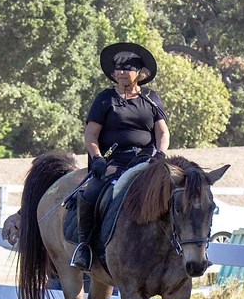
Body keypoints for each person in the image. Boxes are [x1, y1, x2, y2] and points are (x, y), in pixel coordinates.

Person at [71, 42, 170, 270]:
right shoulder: (104, 99)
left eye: (127, 68)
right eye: (118, 69)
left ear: (139, 73)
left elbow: (162, 132)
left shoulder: (152, 99)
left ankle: (177, 250)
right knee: (90, 195)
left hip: (148, 162)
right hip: (112, 163)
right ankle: (84, 247)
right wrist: (98, 159)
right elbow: (91, 135)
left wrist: (161, 154)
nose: (122, 73)